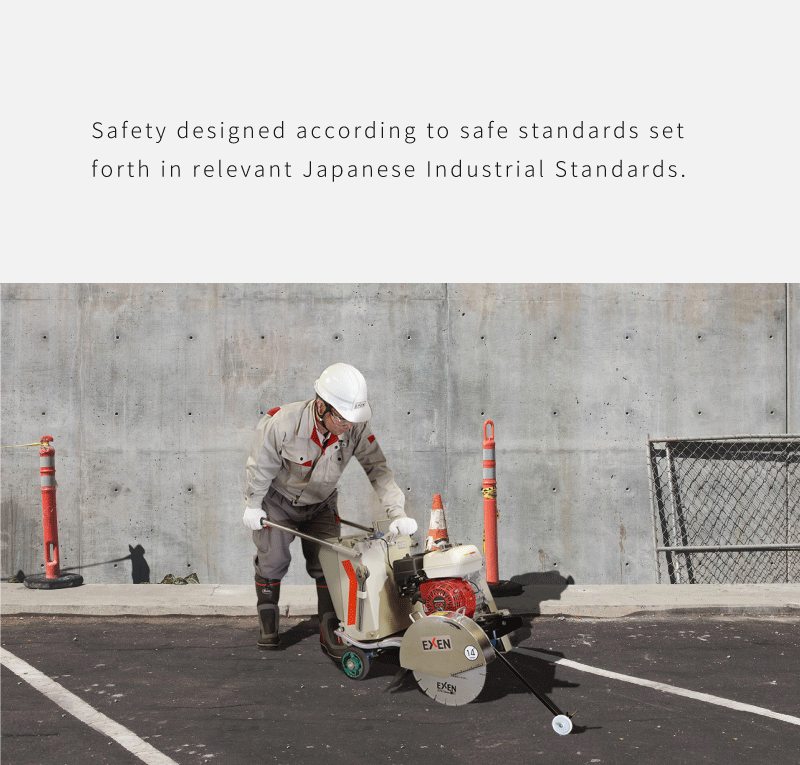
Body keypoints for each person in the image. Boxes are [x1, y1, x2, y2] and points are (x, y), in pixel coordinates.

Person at [242, 362, 417, 650]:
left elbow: (379, 469)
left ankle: (330, 629)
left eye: (352, 420)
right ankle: (268, 623)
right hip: (278, 503)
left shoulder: (355, 427)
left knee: (329, 564)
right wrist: (253, 505)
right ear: (322, 407)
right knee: (272, 562)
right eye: (343, 419)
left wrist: (397, 513)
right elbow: (260, 467)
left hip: (321, 505)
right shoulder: (282, 423)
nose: (348, 426)